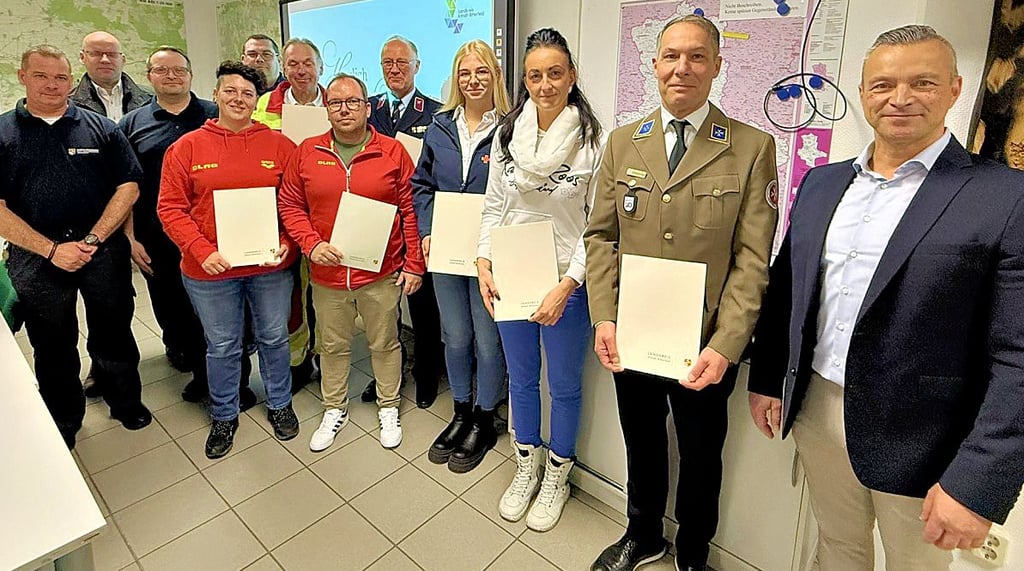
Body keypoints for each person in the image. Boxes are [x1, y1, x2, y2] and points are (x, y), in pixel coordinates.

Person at [748, 25, 1024, 570]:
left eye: (922, 82)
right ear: (863, 92)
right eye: (882, 85)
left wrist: (977, 482)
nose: (900, 98)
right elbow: (788, 288)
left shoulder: (1005, 197)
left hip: (926, 436)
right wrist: (767, 378)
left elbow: (1018, 355)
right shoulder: (822, 184)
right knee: (837, 545)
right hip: (817, 408)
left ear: (954, 89)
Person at [586, 15, 779, 571]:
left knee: (701, 454)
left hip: (706, 343)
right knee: (642, 441)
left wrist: (726, 344)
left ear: (717, 66)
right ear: (654, 65)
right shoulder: (623, 143)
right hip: (633, 335)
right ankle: (643, 533)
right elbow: (600, 237)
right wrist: (604, 317)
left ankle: (693, 551)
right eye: (671, 56)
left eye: (696, 56)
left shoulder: (750, 147)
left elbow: (752, 259)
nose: (682, 68)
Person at [477, 28, 605, 532]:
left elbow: (598, 225)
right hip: (512, 275)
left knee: (565, 386)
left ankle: (557, 474)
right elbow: (493, 207)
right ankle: (526, 463)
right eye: (535, 76)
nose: (545, 85)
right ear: (524, 81)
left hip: (565, 284)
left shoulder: (593, 141)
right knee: (522, 378)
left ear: (571, 76)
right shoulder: (507, 135)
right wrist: (483, 262)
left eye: (555, 73)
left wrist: (568, 283)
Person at [0, 45, 152, 448]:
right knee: (52, 341)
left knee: (114, 330)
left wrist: (93, 239)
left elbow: (129, 185)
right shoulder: (3, 133)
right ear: (22, 77)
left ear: (71, 80)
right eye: (41, 76)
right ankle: (65, 418)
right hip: (36, 255)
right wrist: (51, 250)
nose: (52, 85)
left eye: (60, 77)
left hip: (100, 248)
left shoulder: (100, 128)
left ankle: (125, 402)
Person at [158, 61, 300, 459]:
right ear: (216, 95)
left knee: (274, 337)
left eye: (247, 93)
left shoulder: (280, 146)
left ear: (257, 101)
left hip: (270, 268)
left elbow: (294, 204)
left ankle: (280, 403)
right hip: (209, 271)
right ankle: (224, 414)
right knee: (222, 345)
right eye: (231, 91)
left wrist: (288, 242)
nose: (239, 99)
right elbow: (170, 208)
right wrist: (202, 251)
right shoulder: (186, 148)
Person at [278, 73, 424, 451]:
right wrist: (311, 244)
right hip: (327, 274)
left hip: (380, 273)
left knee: (385, 342)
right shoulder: (307, 151)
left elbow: (410, 210)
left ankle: (388, 405)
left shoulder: (392, 151)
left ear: (367, 107)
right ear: (327, 109)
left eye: (353, 102)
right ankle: (334, 407)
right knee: (331, 345)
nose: (345, 109)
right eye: (336, 103)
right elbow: (290, 204)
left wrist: (414, 263)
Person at [118, 46, 259, 408]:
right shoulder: (131, 125)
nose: (172, 77)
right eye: (162, 70)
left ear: (191, 76)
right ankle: (202, 376)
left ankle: (238, 383)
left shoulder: (216, 115)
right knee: (179, 313)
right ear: (148, 76)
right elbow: (125, 186)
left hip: (220, 237)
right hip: (159, 237)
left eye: (179, 70)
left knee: (228, 317)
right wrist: (129, 237)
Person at [412, 40, 511, 473]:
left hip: (491, 254)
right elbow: (422, 184)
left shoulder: (511, 128)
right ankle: (461, 411)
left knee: (488, 340)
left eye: (482, 71)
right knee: (455, 336)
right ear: (456, 78)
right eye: (465, 73)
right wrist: (427, 229)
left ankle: (485, 418)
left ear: (495, 76)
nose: (473, 80)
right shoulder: (439, 126)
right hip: (448, 249)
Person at [364, 35, 445, 408]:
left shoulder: (437, 114)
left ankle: (427, 373)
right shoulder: (368, 110)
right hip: (375, 221)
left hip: (416, 221)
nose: (394, 69)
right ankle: (386, 376)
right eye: (388, 62)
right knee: (382, 310)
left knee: (424, 306)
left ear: (417, 66)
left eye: (402, 62)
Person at [251, 37, 324, 392]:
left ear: (320, 67)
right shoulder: (263, 106)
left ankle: (325, 356)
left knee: (324, 294)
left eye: (308, 63)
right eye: (293, 63)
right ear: (283, 67)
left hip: (327, 215)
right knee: (291, 296)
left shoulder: (337, 102)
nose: (301, 70)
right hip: (281, 216)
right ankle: (297, 361)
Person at [71, 31, 151, 122]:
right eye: (96, 53)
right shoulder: (67, 102)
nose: (105, 60)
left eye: (112, 54)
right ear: (82, 57)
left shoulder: (151, 98)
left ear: (123, 60)